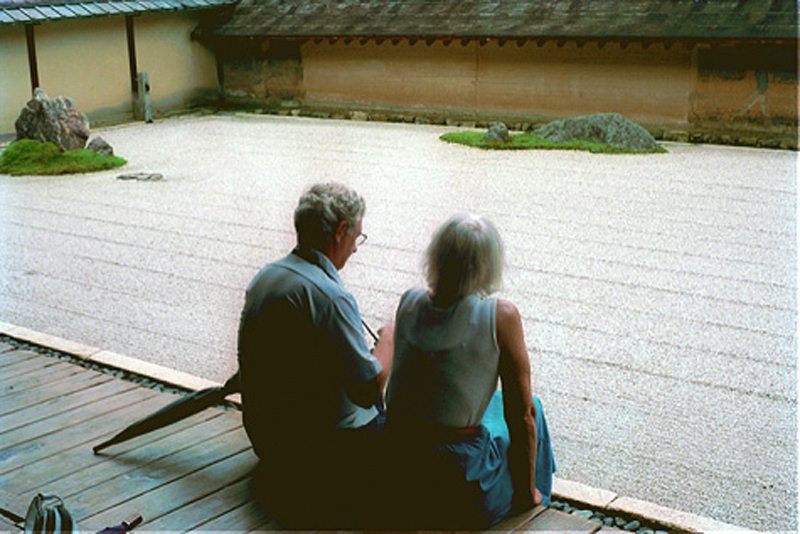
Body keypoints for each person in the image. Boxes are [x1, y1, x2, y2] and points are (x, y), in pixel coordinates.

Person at [384, 213, 556, 529]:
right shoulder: (500, 315)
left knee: (491, 408)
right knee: (534, 411)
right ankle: (531, 498)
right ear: (489, 265)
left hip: (396, 466)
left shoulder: (409, 301)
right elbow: (523, 416)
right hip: (457, 480)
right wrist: (526, 490)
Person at [237, 182, 393, 528]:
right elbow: (367, 391)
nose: (355, 249)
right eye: (357, 238)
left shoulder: (267, 277)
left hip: (268, 443)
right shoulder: (329, 297)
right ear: (341, 232)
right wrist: (389, 341)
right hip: (320, 458)